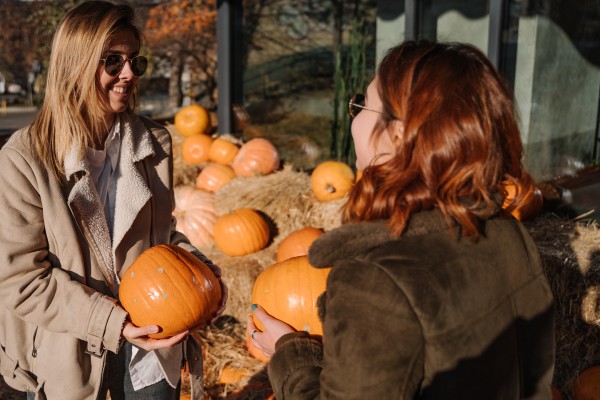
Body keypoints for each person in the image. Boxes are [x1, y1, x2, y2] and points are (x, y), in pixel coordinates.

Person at [248, 40, 555, 399]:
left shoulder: (376, 277)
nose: (354, 117)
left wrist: (290, 353)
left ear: (396, 133)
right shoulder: (507, 231)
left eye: (362, 103)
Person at [0, 2, 226, 399]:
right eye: (113, 61)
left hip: (153, 340)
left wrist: (200, 276)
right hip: (68, 346)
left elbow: (162, 237)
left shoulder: (154, 143)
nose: (128, 75)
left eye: (135, 62)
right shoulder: (24, 161)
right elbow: (19, 279)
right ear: (76, 64)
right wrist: (113, 323)